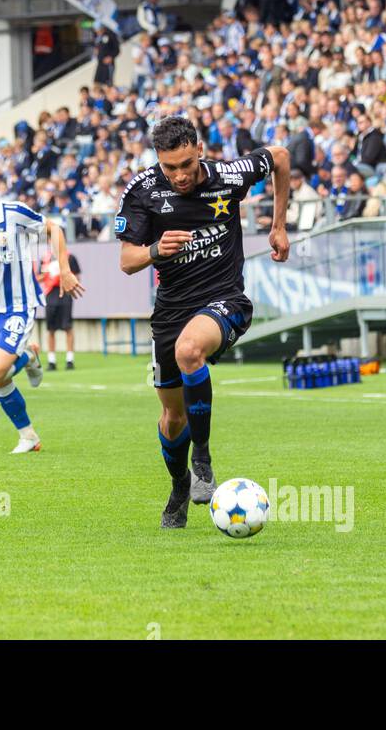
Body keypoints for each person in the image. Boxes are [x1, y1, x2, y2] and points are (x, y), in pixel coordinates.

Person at [114, 116, 290, 527]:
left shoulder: (229, 176)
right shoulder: (142, 191)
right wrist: (157, 249)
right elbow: (126, 261)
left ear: (199, 150)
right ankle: (180, 483)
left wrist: (278, 226)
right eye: (169, 167)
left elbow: (280, 157)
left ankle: (204, 459)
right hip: (171, 311)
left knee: (190, 350)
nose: (178, 175)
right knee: (172, 420)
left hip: (224, 300)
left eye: (186, 165)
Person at [0, 162, 83, 454]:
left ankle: (29, 356)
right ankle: (28, 435)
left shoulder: (13, 212)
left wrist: (66, 269)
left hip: (19, 305)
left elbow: (53, 228)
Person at [42, 248, 81, 370]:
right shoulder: (45, 258)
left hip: (65, 293)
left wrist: (64, 277)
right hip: (50, 294)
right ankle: (51, 361)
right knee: (51, 329)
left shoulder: (70, 257)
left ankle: (70, 360)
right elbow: (38, 277)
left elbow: (77, 277)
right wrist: (48, 273)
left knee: (68, 327)